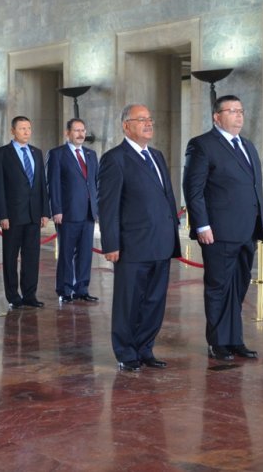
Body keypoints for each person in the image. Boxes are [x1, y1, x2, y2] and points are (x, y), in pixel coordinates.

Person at [98, 104, 180, 372]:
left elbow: (167, 196)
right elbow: (108, 206)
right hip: (132, 245)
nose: (148, 123)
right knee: (129, 301)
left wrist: (173, 233)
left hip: (161, 243)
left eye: (150, 119)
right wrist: (111, 243)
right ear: (126, 126)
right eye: (141, 119)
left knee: (154, 301)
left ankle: (145, 348)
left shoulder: (156, 155)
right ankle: (126, 352)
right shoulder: (115, 159)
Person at [183, 95, 263, 361]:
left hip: (247, 230)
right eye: (232, 111)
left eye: (241, 111)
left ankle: (234, 339)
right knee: (219, 287)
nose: (239, 116)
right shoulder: (202, 145)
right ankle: (218, 342)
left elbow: (253, 187)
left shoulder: (248, 146)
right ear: (217, 117)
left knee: (238, 287)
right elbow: (193, 190)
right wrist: (202, 224)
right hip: (218, 231)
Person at [0, 116, 51, 309]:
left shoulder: (36, 152)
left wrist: (45, 212)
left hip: (34, 214)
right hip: (12, 215)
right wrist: (2, 215)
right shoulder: (1, 154)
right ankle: (13, 296)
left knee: (32, 257)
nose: (26, 132)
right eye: (22, 128)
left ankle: (30, 295)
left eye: (29, 128)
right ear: (13, 131)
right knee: (10, 257)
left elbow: (41, 185)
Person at [46, 118, 99, 303]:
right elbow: (52, 184)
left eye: (83, 130)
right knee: (66, 253)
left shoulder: (91, 154)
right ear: (67, 133)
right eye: (76, 130)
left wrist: (96, 208)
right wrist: (56, 209)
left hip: (88, 212)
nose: (81, 134)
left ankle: (82, 289)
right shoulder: (57, 154)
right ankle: (65, 289)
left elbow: (95, 183)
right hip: (67, 212)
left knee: (85, 253)